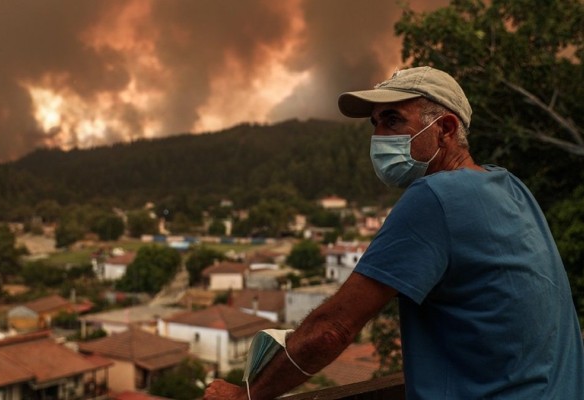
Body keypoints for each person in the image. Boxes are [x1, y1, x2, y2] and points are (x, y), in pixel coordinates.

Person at [203, 66, 584, 400]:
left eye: (393, 120)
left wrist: (246, 395)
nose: (380, 136)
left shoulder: (434, 197)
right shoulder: (510, 186)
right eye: (376, 124)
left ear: (446, 129)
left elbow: (332, 329)